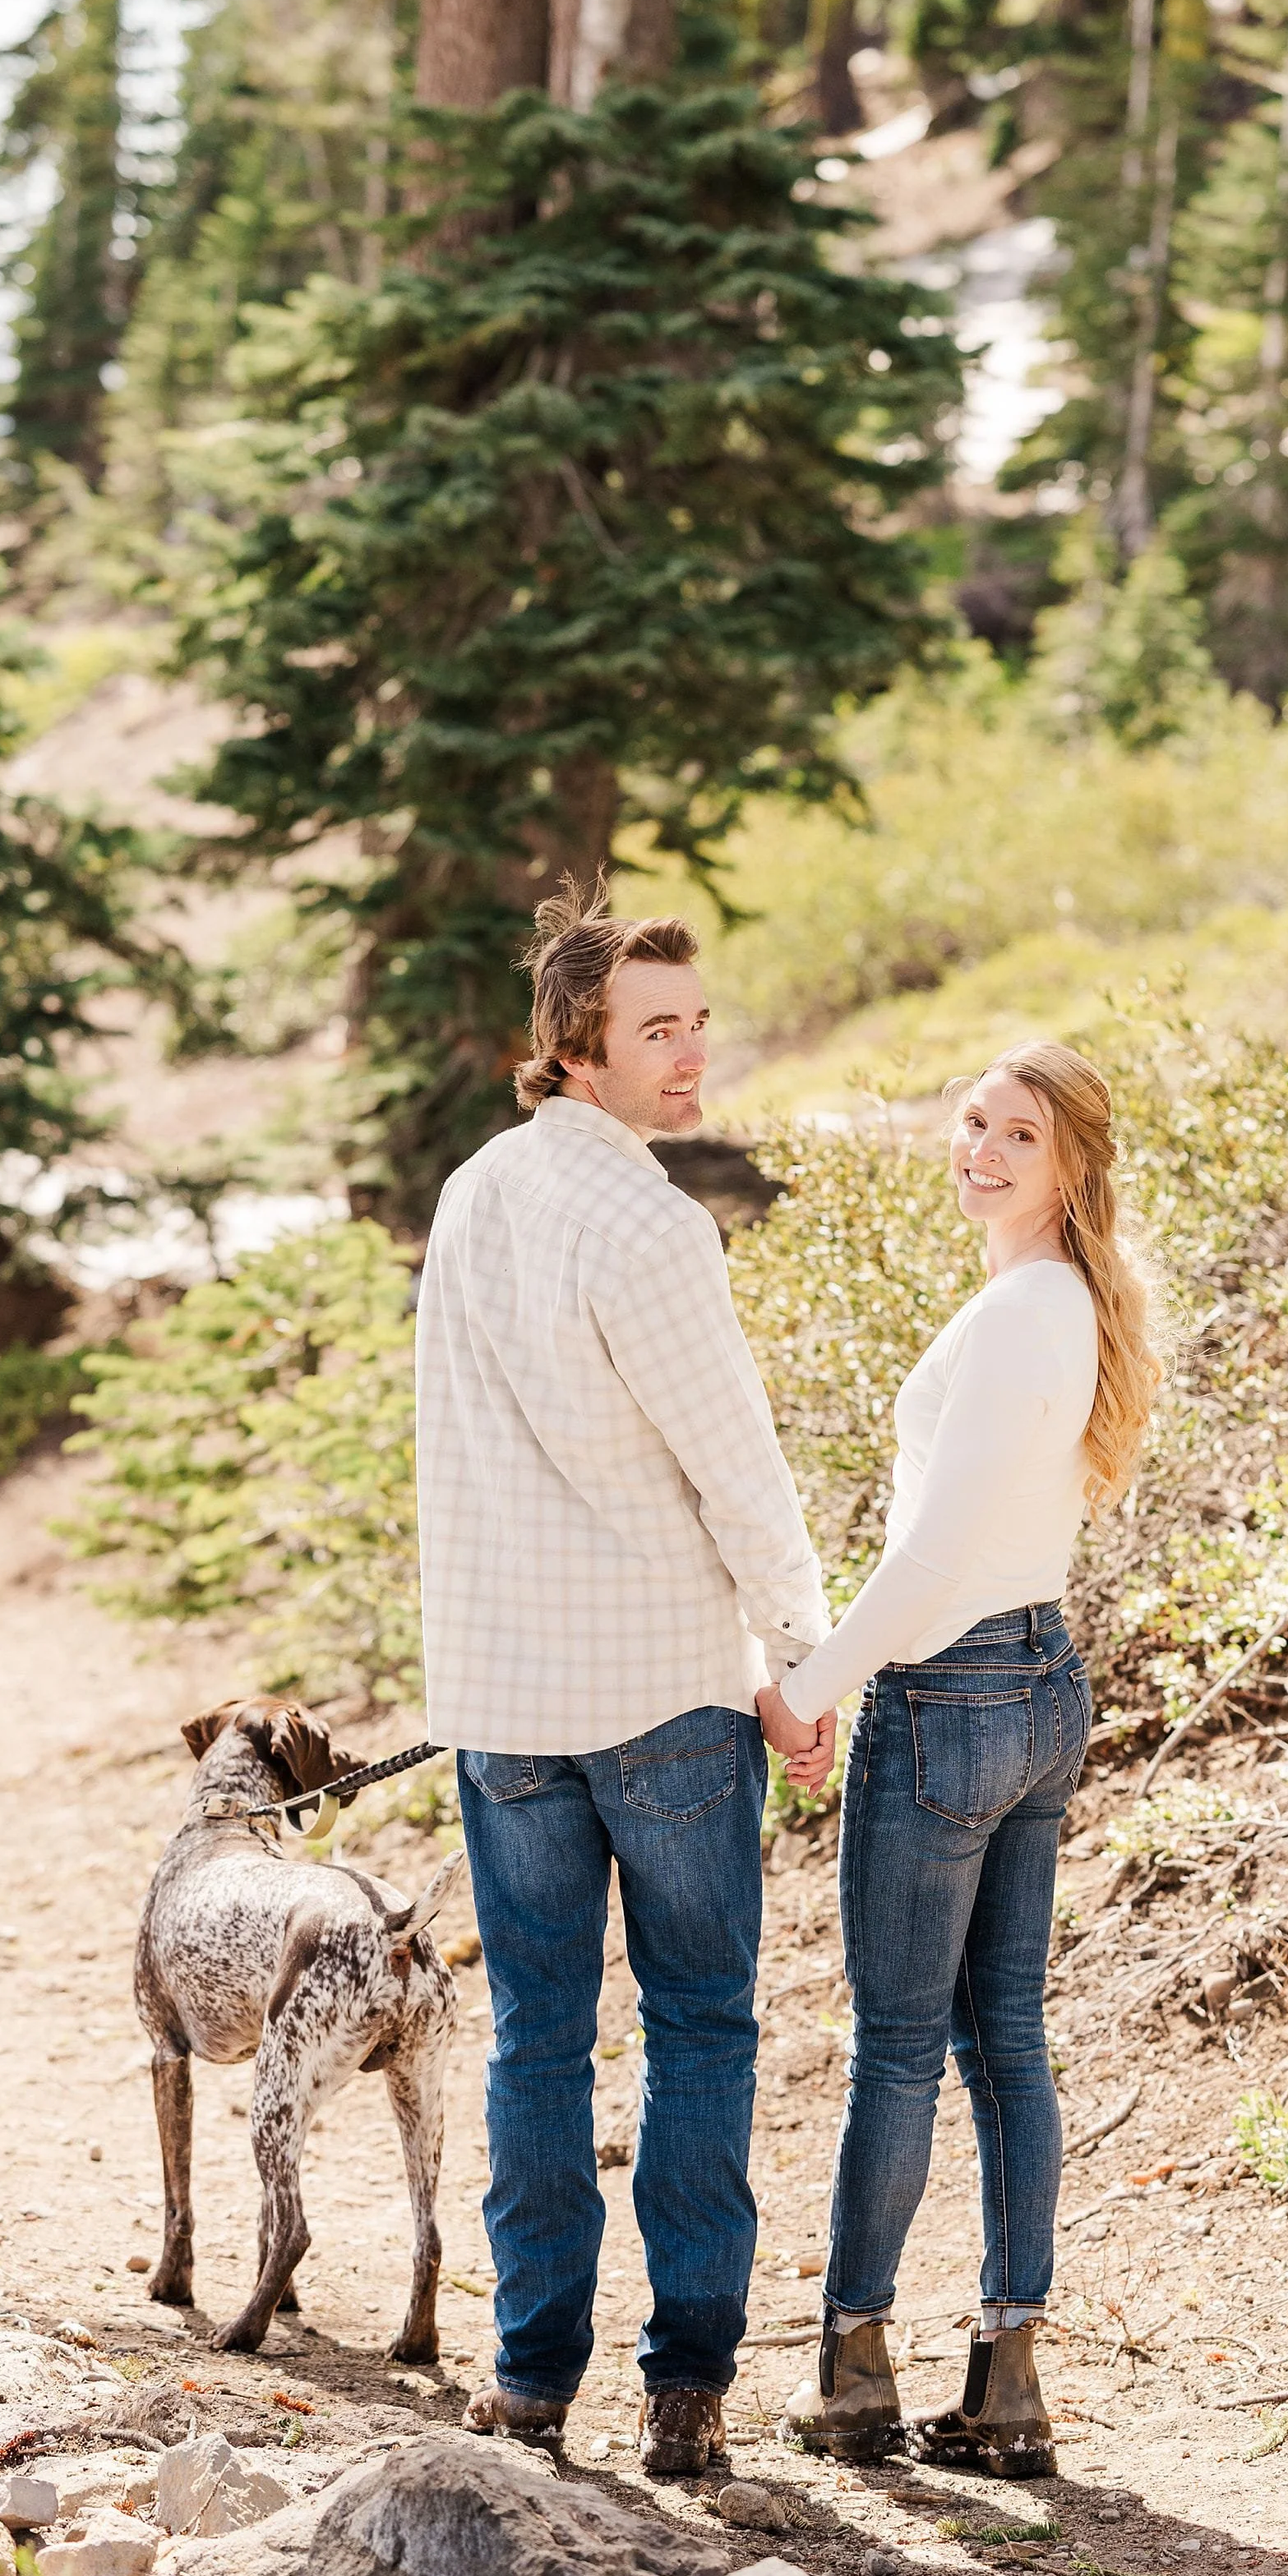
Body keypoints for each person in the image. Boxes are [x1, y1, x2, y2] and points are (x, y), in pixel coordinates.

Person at [416, 885, 833, 2477]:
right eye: (654, 1030)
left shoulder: (470, 1193)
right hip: (660, 1691)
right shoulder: (652, 1226)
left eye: (696, 1018)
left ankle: (529, 2377)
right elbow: (738, 1473)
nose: (689, 1053)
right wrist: (796, 1660)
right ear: (573, 1056)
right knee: (700, 2030)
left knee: (534, 2039)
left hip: (500, 1694)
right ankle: (686, 2384)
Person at [757, 1041, 1160, 2473]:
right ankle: (1006, 2379)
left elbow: (930, 1558)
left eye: (1019, 1133)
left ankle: (856, 2366)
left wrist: (810, 1685)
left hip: (954, 1692)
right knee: (1006, 2045)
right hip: (1043, 1680)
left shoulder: (1022, 1317)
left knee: (897, 2052)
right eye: (973, 1120)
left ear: (1071, 1166)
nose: (979, 1147)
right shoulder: (1053, 1304)